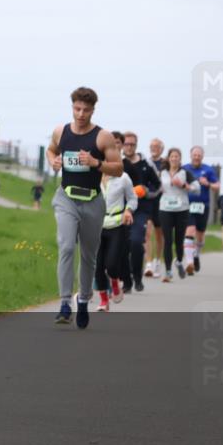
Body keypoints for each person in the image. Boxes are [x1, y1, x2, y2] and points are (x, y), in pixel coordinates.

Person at [46, 87, 123, 329]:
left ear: (93, 110)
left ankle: (83, 300)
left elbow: (118, 168)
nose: (81, 114)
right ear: (72, 107)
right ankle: (65, 303)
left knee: (89, 256)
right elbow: (50, 150)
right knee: (67, 247)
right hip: (66, 198)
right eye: (77, 109)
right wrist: (53, 161)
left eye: (86, 110)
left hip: (92, 201)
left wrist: (95, 163)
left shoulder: (103, 137)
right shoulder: (61, 131)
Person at [95, 134, 138, 311]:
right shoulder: (93, 177)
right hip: (96, 225)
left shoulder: (123, 178)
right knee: (97, 266)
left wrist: (128, 210)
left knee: (112, 264)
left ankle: (114, 281)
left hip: (117, 225)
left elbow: (133, 199)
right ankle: (104, 301)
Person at [120, 131, 161, 293]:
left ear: (136, 145)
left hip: (140, 210)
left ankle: (137, 276)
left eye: (132, 144)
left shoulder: (146, 164)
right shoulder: (118, 163)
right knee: (122, 245)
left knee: (137, 242)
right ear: (122, 145)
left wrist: (146, 191)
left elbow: (157, 186)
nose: (129, 147)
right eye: (127, 144)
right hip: (120, 210)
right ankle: (127, 281)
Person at [158, 148, 200, 282]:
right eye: (172, 156)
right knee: (168, 241)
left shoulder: (185, 173)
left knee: (179, 240)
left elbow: (197, 189)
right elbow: (155, 187)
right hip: (165, 209)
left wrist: (183, 185)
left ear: (180, 159)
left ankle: (179, 261)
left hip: (181, 210)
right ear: (168, 158)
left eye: (177, 156)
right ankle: (168, 271)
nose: (174, 159)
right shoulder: (162, 173)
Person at [182, 145, 218, 274]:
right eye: (194, 155)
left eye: (199, 155)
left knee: (200, 236)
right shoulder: (184, 169)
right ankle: (189, 263)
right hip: (187, 205)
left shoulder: (208, 170)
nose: (196, 157)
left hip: (203, 206)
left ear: (202, 156)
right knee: (190, 231)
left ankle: (196, 255)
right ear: (190, 155)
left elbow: (217, 186)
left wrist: (208, 183)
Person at [143, 138, 167, 279]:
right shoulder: (146, 162)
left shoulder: (165, 163)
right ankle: (148, 263)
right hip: (148, 200)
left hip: (161, 202)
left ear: (162, 149)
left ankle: (158, 261)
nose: (154, 148)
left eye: (157, 146)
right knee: (147, 232)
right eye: (152, 146)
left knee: (159, 234)